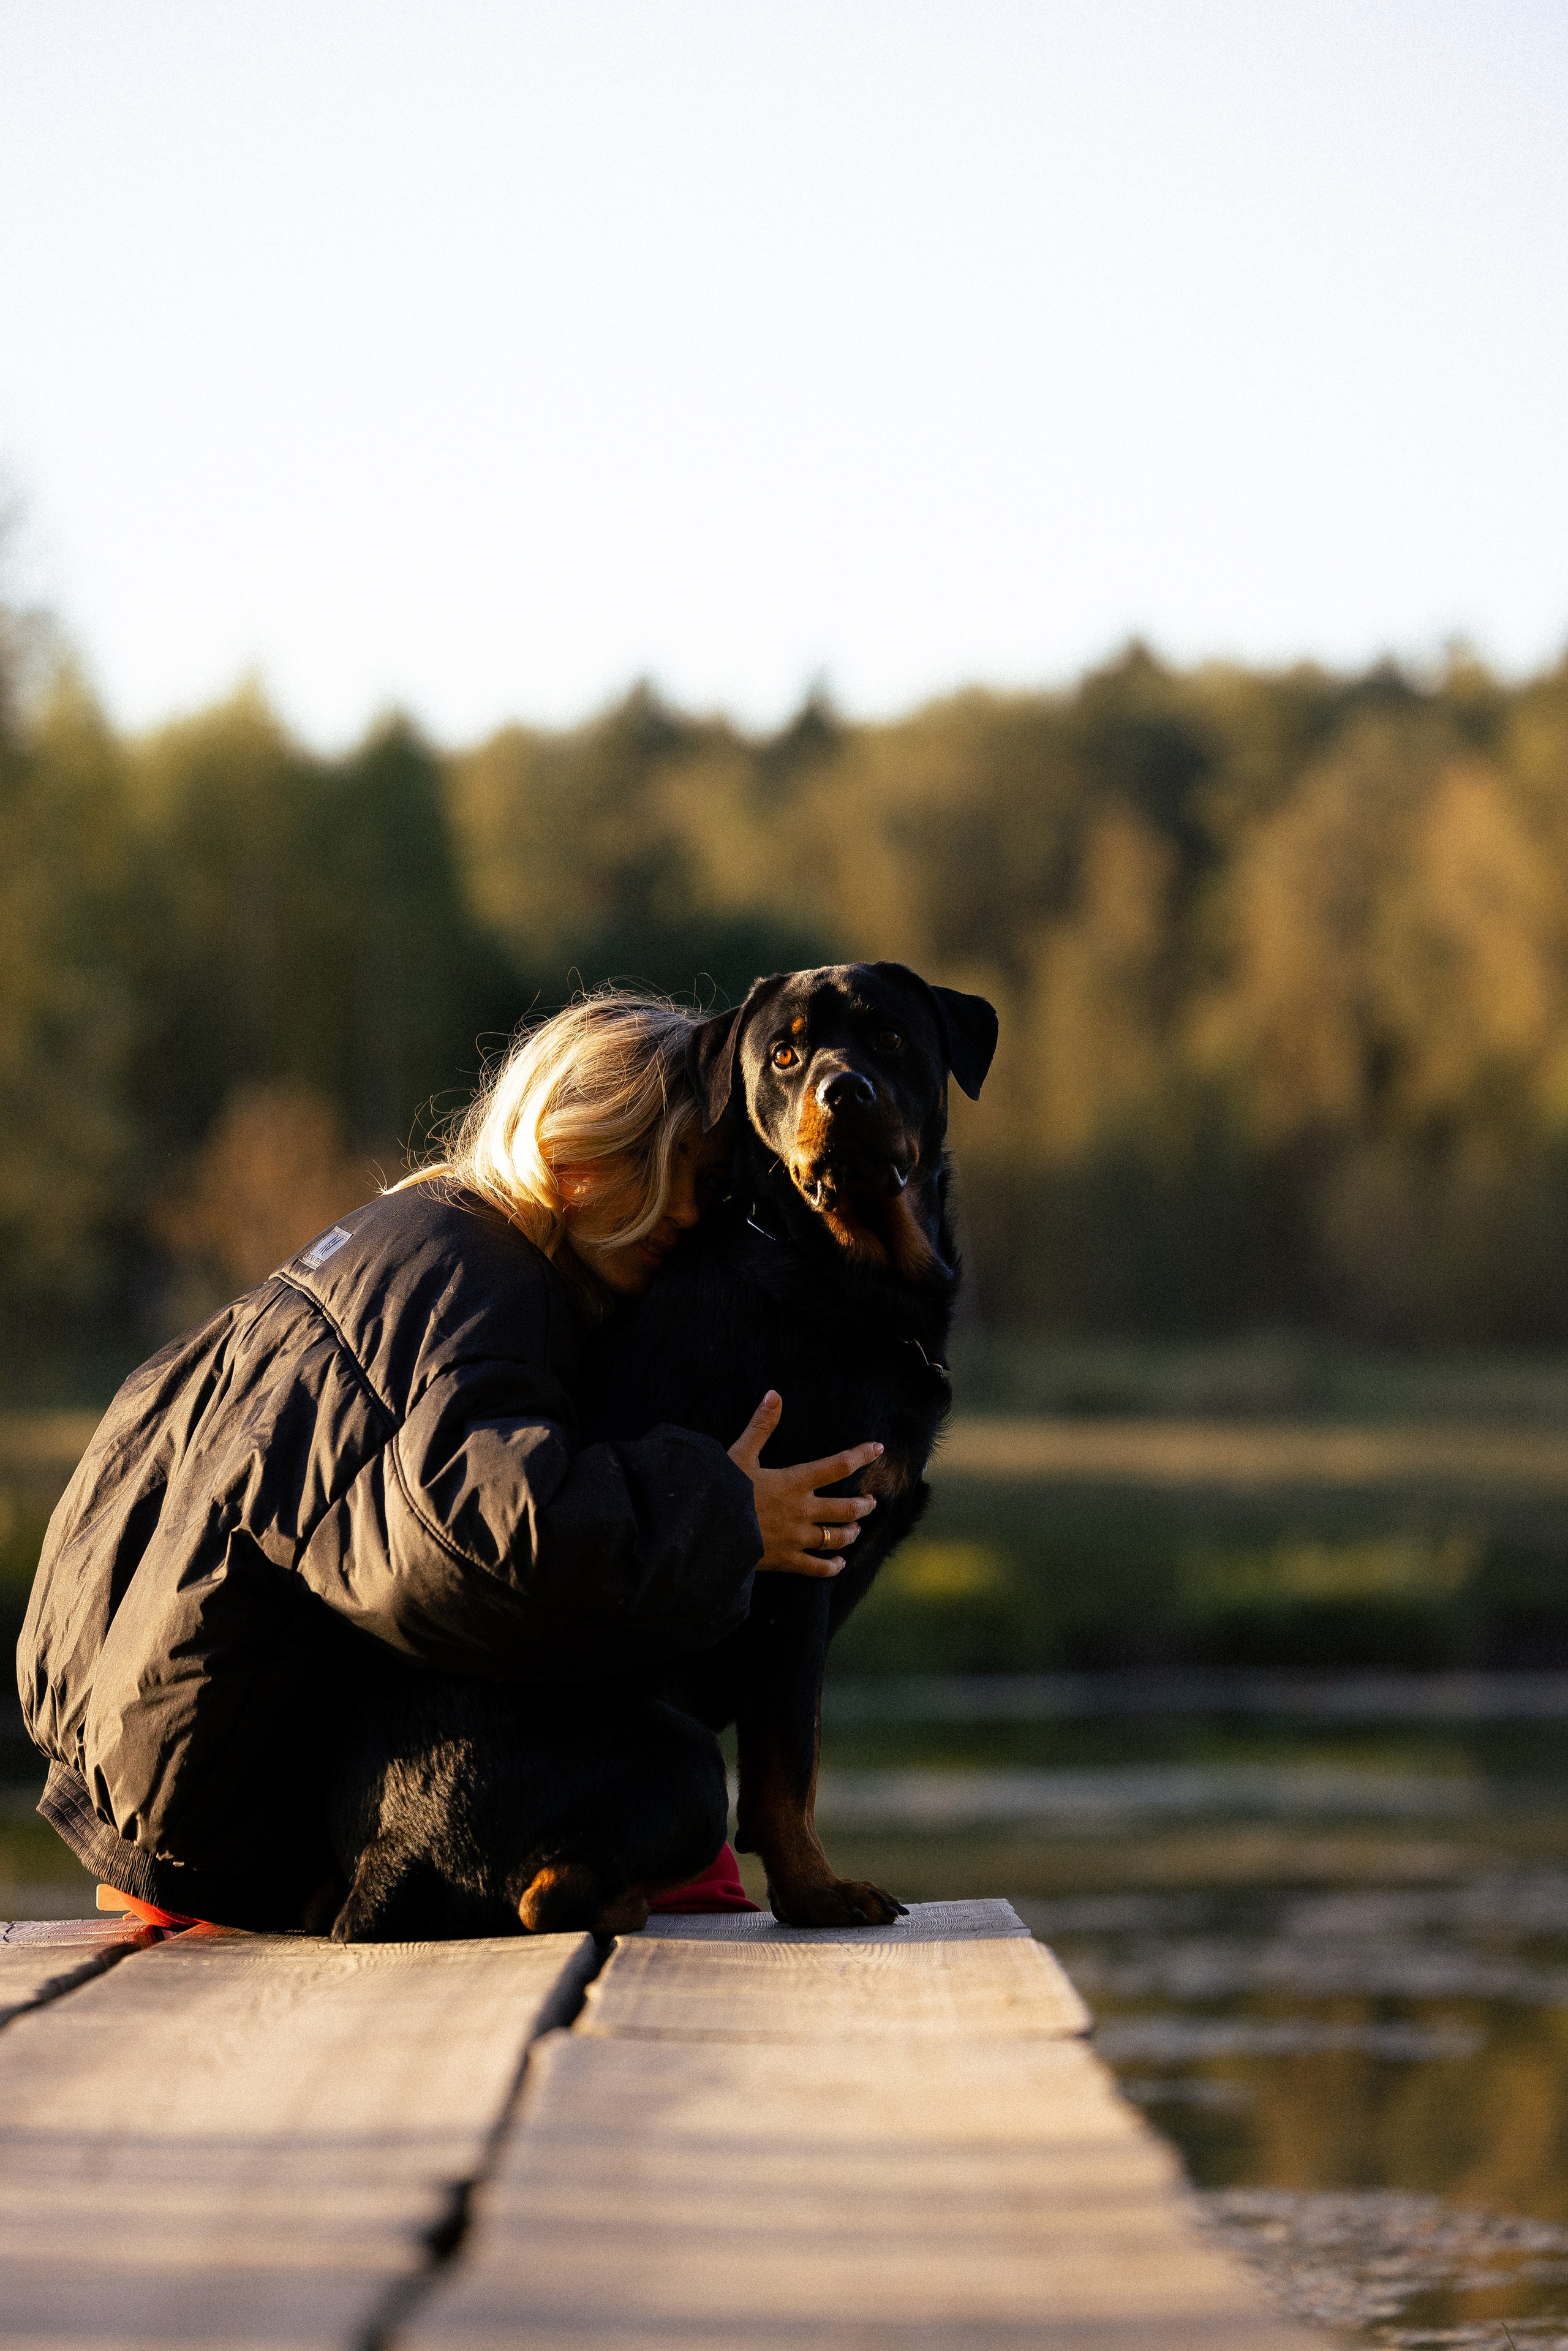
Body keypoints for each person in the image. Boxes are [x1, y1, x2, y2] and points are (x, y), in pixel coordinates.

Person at [17, 993, 880, 1931]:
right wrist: (727, 1514)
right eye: (657, 1165)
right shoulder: (491, 1281)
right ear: (568, 1145)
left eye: (706, 1185)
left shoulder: (394, 1240)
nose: (684, 1210)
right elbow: (482, 1536)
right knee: (677, 1803)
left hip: (137, 1786)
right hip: (233, 1828)